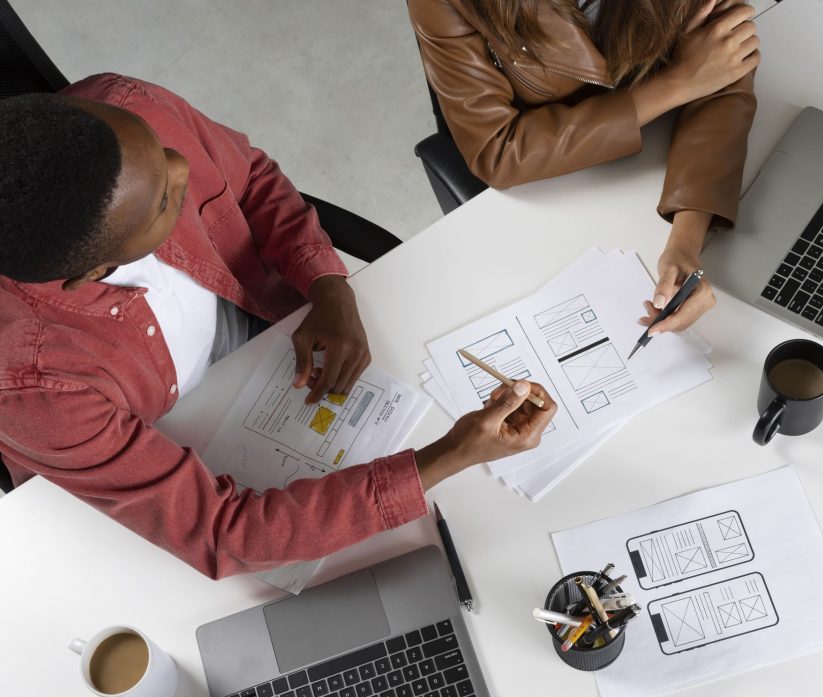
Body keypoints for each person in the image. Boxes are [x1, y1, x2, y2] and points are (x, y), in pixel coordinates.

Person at [0, 73, 557, 579]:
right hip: (155, 450)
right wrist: (450, 454)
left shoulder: (123, 105)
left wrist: (328, 286)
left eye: (163, 151)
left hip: (268, 330)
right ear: (93, 272)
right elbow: (225, 533)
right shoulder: (34, 389)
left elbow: (250, 180)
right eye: (166, 202)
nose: (181, 169)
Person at [408, 0, 760, 334]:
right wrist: (676, 84)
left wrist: (686, 240)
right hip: (549, 192)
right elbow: (498, 149)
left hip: (642, 169)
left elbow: (723, 63)